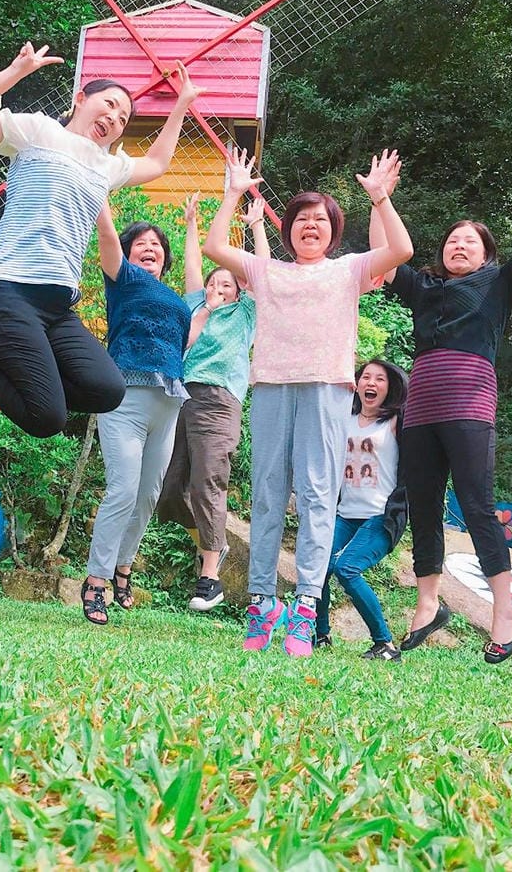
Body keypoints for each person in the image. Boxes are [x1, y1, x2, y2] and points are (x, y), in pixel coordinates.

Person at [0, 42, 202, 437]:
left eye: (122, 118)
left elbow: (158, 163)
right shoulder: (39, 131)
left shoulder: (106, 166)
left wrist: (182, 104)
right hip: (8, 289)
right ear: (80, 99)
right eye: (109, 104)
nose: (114, 118)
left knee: (107, 390)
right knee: (47, 419)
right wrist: (16, 72)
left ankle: (2, 384)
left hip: (57, 305)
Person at [203, 146, 414, 656]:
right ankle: (261, 603)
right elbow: (214, 246)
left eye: (320, 220)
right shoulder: (266, 271)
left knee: (318, 496)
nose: (310, 226)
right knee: (267, 494)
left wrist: (381, 199)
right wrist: (233, 193)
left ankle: (304, 606)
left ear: (333, 230)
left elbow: (401, 250)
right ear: (289, 228)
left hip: (326, 389)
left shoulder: (348, 270)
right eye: (301, 219)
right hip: (272, 386)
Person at [377, 136, 512, 664]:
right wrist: (380, 199)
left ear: (486, 253)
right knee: (421, 502)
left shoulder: (498, 283)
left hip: (468, 402)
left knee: (476, 504)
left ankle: (505, 611)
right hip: (421, 404)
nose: (458, 245)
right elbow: (386, 256)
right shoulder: (423, 286)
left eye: (469, 241)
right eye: (452, 240)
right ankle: (427, 604)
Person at [80, 203, 191, 624]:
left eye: (157, 244)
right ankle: (96, 580)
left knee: (147, 496)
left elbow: (187, 332)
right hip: (125, 396)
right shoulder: (123, 279)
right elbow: (107, 237)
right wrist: (99, 192)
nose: (150, 248)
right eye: (141, 243)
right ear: (128, 252)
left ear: (165, 257)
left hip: (168, 403)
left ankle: (123, 567)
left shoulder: (177, 301)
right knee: (123, 490)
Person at [155, 193, 262, 612]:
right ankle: (213, 541)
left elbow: (260, 273)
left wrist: (255, 227)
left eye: (226, 284)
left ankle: (210, 576)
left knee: (207, 483)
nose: (217, 287)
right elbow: (192, 266)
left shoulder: (245, 314)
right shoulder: (197, 306)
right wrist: (191, 225)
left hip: (218, 401)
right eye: (213, 283)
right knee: (168, 488)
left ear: (239, 292)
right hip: (182, 396)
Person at [314, 360, 408, 661]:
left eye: (380, 379)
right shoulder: (345, 418)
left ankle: (385, 644)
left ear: (390, 388)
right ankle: (320, 635)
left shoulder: (396, 422)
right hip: (345, 513)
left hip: (380, 515)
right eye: (366, 377)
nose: (371, 383)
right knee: (318, 566)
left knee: (347, 568)